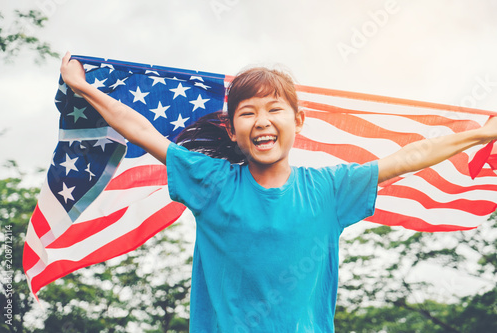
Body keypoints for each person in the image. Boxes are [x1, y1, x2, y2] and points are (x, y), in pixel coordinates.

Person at [60, 52, 497, 332]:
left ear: (298, 121)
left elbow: (411, 155)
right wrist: (83, 88)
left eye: (274, 109)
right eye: (248, 113)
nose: (262, 120)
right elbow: (141, 128)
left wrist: (480, 136)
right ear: (232, 131)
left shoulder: (330, 189)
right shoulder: (211, 183)